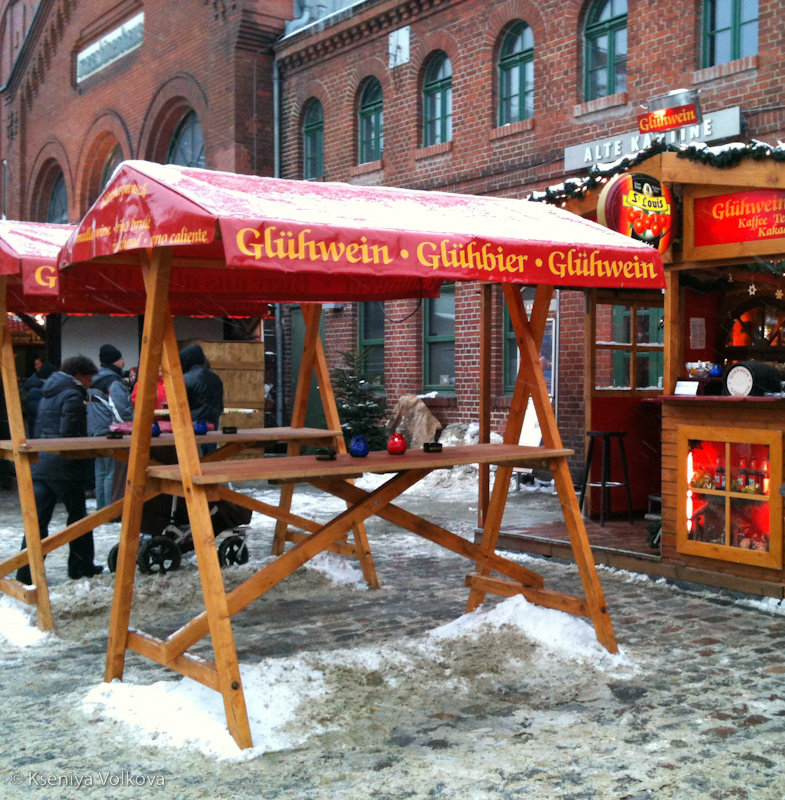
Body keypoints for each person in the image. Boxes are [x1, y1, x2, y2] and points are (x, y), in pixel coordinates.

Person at [16, 355, 104, 583]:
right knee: (78, 518)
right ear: (79, 375)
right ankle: (80, 566)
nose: (90, 383)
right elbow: (70, 435)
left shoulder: (49, 391)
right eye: (88, 378)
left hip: (42, 463)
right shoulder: (72, 395)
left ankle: (26, 573)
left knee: (38, 521)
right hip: (64, 466)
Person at [87, 344, 134, 509]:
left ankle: (101, 509)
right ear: (116, 360)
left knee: (100, 473)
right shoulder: (113, 380)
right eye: (121, 358)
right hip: (110, 431)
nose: (123, 362)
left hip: (94, 430)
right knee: (111, 474)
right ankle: (111, 512)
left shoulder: (93, 378)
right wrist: (132, 426)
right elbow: (121, 409)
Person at [180, 343, 223, 455]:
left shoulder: (185, 379)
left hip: (191, 428)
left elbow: (178, 406)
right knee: (211, 459)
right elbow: (219, 405)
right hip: (212, 427)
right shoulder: (215, 377)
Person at [22, 360, 56, 437]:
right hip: (38, 430)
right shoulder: (35, 390)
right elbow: (38, 411)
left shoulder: (37, 388)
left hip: (40, 429)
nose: (36, 366)